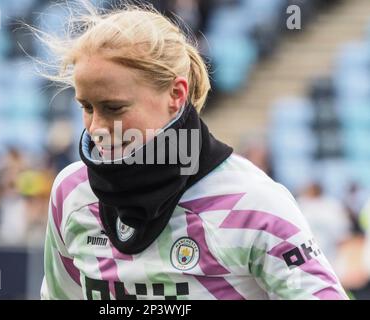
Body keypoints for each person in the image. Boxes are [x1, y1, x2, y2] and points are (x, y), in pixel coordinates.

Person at [38, 2, 347, 300]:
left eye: (114, 107)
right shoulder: (71, 193)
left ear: (176, 94)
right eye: (87, 107)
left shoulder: (254, 202)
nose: (96, 128)